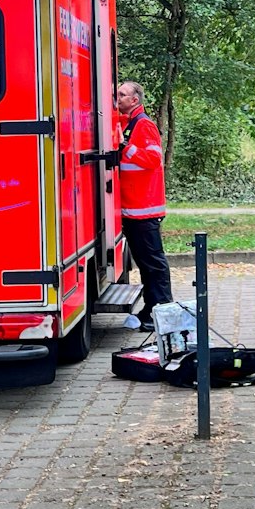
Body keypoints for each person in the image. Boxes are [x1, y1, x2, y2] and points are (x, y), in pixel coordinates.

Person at [115, 80, 171, 326]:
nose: (116, 98)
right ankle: (151, 310)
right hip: (133, 209)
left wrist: (126, 149)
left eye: (121, 94)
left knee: (153, 265)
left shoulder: (144, 125)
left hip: (144, 210)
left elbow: (152, 159)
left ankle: (161, 311)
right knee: (147, 266)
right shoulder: (127, 123)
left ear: (134, 100)